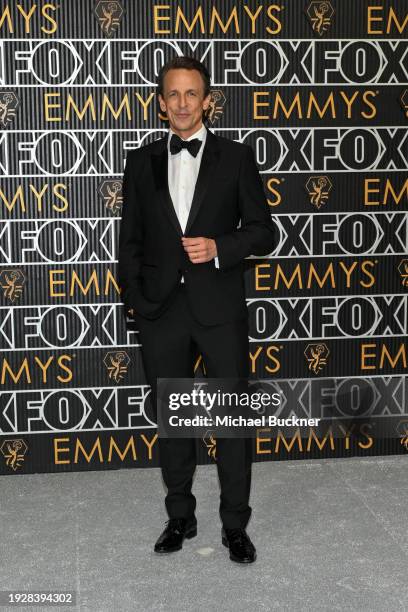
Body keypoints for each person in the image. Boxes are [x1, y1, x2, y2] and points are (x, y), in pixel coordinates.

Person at [118, 56, 275, 564]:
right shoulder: (140, 163)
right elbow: (131, 244)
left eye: (192, 94)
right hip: (161, 312)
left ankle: (235, 525)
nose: (183, 104)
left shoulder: (236, 157)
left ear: (207, 100)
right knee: (173, 422)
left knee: (231, 421)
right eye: (173, 95)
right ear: (161, 104)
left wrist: (220, 247)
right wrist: (137, 305)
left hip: (220, 307)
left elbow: (263, 231)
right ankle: (179, 516)